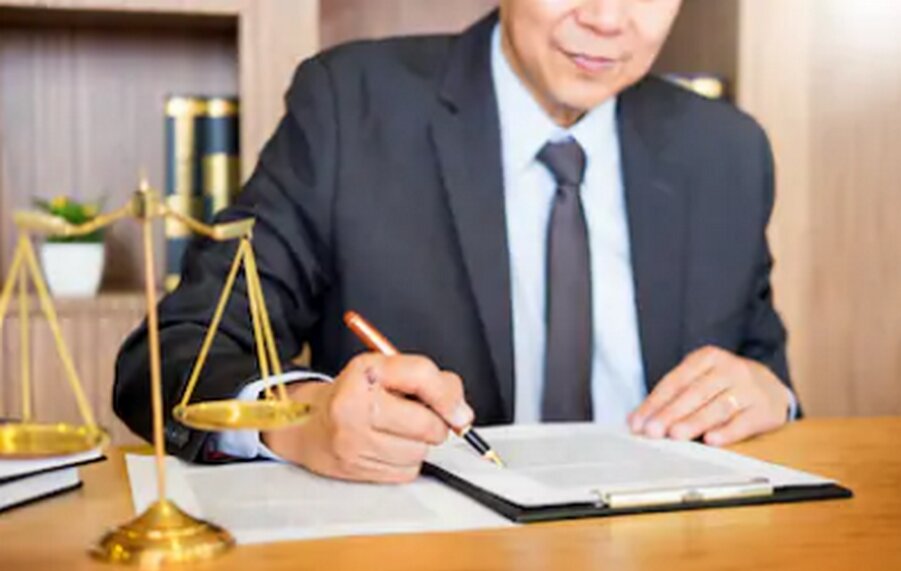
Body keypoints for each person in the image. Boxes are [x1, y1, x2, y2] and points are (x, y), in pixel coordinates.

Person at [114, 0, 799, 484]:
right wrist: (300, 418)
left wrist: (769, 393)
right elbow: (173, 350)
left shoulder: (728, 151)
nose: (607, 17)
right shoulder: (351, 106)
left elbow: (761, 372)